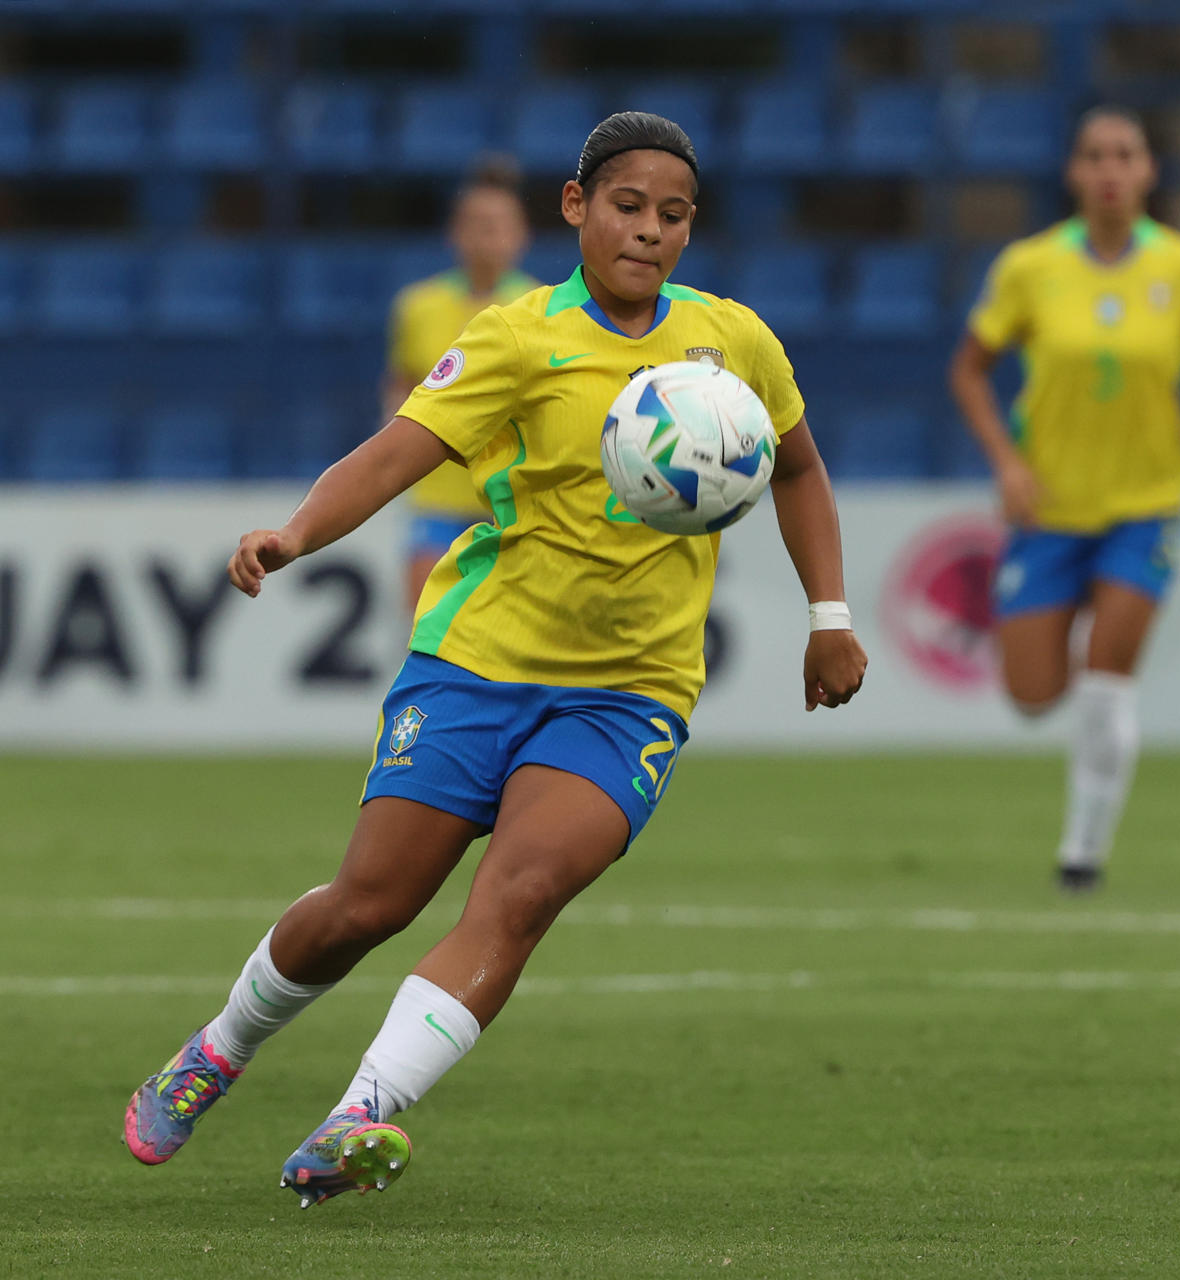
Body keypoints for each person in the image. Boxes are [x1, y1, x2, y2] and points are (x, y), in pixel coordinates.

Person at [122, 112, 869, 1207]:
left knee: (518, 893)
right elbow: (393, 454)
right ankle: (218, 1047)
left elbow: (798, 468)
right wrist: (293, 533)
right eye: (627, 207)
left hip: (629, 691)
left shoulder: (734, 344)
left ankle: (359, 1113)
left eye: (673, 216)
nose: (649, 232)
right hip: (476, 661)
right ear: (576, 207)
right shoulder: (518, 338)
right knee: (370, 902)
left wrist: (831, 612)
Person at [949, 106, 1180, 892]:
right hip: (1048, 507)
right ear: (1074, 173)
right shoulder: (1030, 267)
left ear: (1149, 171)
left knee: (1109, 672)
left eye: (1125, 155)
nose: (1110, 169)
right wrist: (1007, 464)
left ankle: (1082, 854)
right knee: (1034, 695)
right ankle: (1074, 651)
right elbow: (969, 370)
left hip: (1147, 503)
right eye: (1095, 156)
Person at [383, 157, 537, 613]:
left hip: (509, 505)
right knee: (427, 635)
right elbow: (400, 391)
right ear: (455, 232)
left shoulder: (537, 308)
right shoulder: (417, 306)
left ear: (521, 234)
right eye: (474, 224)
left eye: (497, 226)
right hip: (437, 501)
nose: (485, 238)